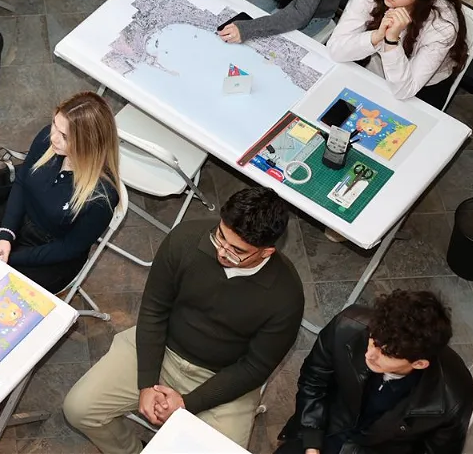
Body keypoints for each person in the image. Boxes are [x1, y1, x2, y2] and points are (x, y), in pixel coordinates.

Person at [64, 188, 304, 452]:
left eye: (237, 251)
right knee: (79, 408)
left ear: (266, 252)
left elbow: (255, 368)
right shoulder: (185, 240)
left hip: (222, 378)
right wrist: (147, 383)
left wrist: (188, 404)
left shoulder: (286, 296)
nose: (222, 253)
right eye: (220, 236)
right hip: (161, 348)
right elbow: (154, 311)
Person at [276, 290, 473, 454]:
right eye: (373, 339)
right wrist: (312, 441)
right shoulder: (346, 326)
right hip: (323, 427)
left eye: (386, 353)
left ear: (419, 363)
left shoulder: (453, 399)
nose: (370, 354)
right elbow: (314, 379)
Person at [0, 92, 121, 292]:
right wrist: (6, 234)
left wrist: (12, 257)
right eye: (55, 123)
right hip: (19, 217)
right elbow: (22, 183)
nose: (53, 137)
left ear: (88, 143)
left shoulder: (102, 196)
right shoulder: (48, 140)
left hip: (52, 254)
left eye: (65, 136)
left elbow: (68, 248)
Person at [326, 0, 467, 107]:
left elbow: (404, 90)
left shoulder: (442, 25)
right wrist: (377, 36)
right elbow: (335, 49)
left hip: (422, 87)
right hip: (375, 66)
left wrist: (391, 41)